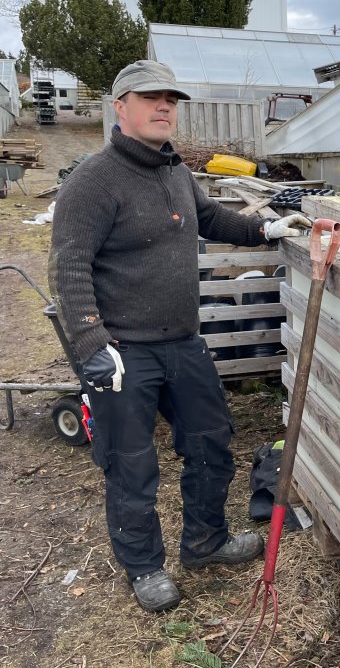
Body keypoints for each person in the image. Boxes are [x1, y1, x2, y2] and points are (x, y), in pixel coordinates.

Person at [49, 59, 311, 613]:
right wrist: (93, 346)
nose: (163, 105)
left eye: (170, 97)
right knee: (130, 462)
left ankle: (205, 541)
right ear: (120, 107)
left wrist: (266, 227)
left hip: (183, 343)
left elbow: (212, 219)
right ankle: (144, 566)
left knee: (212, 443)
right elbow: (68, 266)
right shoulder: (93, 181)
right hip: (125, 351)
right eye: (149, 97)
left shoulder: (176, 173)